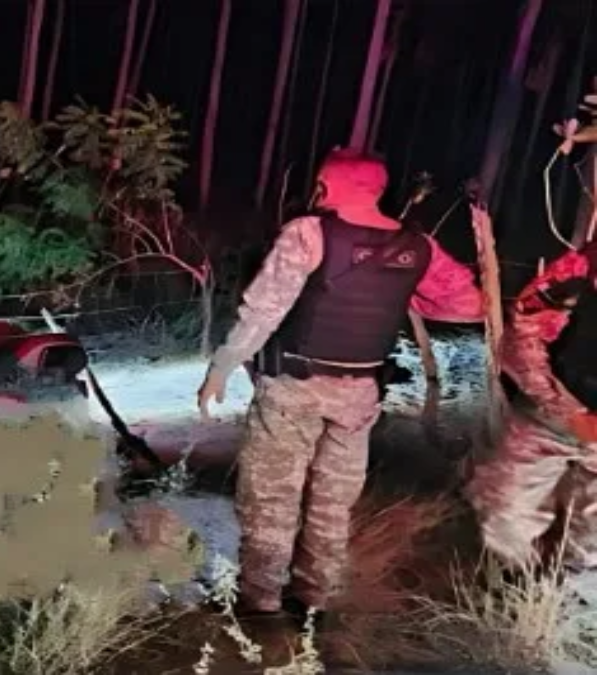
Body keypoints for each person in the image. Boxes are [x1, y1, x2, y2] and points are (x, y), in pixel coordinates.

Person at [195, 147, 485, 617]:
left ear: (325, 187)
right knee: (333, 502)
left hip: (293, 387)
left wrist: (222, 366)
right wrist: (401, 290)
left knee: (271, 496)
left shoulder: (307, 233)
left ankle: (260, 600)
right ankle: (315, 600)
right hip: (359, 394)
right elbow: (466, 305)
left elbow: (264, 309)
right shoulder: (419, 247)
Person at [466, 243, 597, 572]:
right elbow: (526, 328)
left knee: (590, 541)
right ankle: (514, 581)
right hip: (552, 415)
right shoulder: (582, 266)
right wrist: (554, 401)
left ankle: (570, 584)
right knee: (503, 511)